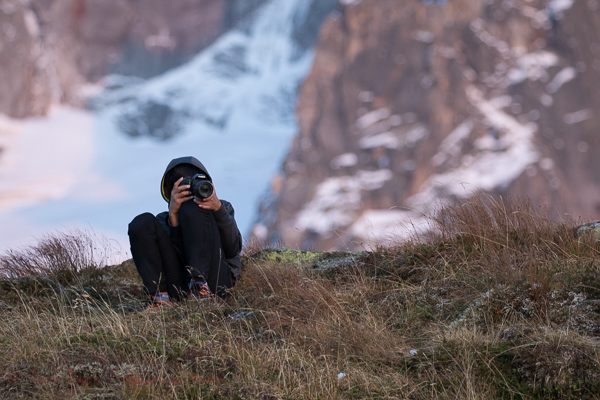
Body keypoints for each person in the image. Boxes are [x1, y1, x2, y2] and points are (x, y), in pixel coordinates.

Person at [128, 156, 242, 305]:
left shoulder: (222, 207)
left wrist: (217, 209)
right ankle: (160, 297)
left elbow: (233, 249)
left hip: (216, 282)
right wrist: (174, 217)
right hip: (178, 286)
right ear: (169, 192)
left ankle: (199, 285)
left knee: (195, 207)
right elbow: (176, 258)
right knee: (141, 223)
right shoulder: (163, 219)